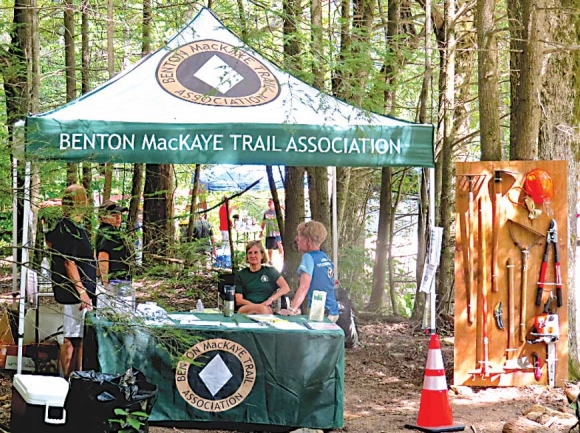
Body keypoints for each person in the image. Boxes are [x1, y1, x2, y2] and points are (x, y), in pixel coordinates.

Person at [45, 184, 97, 378]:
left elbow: (49, 242)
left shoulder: (65, 226)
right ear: (81, 202)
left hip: (75, 291)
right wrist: (81, 291)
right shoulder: (68, 228)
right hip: (73, 293)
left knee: (78, 337)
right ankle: (68, 380)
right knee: (72, 338)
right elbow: (69, 262)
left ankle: (75, 379)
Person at [279, 220, 339, 322]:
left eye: (299, 236)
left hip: (320, 312)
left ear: (308, 242)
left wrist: (292, 309)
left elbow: (304, 287)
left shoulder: (308, 257)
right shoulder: (325, 257)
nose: (296, 239)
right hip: (333, 310)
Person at [234, 240, 291, 314]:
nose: (253, 256)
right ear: (247, 256)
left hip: (266, 307)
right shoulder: (241, 274)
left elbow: (286, 288)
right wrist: (257, 306)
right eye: (250, 253)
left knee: (264, 310)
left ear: (262, 255)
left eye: (256, 252)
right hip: (246, 307)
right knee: (262, 309)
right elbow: (239, 300)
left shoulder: (270, 271)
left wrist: (270, 300)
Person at [95, 200, 131, 288]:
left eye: (119, 215)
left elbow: (96, 255)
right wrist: (105, 282)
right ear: (103, 218)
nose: (118, 218)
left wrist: (98, 277)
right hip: (116, 281)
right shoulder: (111, 233)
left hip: (114, 280)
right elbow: (103, 256)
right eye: (114, 215)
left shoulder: (101, 232)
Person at [260, 198, 284, 264]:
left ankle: (283, 260)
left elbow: (286, 214)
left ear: (274, 203)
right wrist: (261, 232)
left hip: (277, 232)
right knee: (270, 247)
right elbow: (263, 222)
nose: (269, 203)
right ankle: (271, 261)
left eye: (270, 202)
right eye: (268, 202)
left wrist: (281, 206)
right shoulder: (266, 212)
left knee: (280, 246)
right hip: (269, 233)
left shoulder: (278, 211)